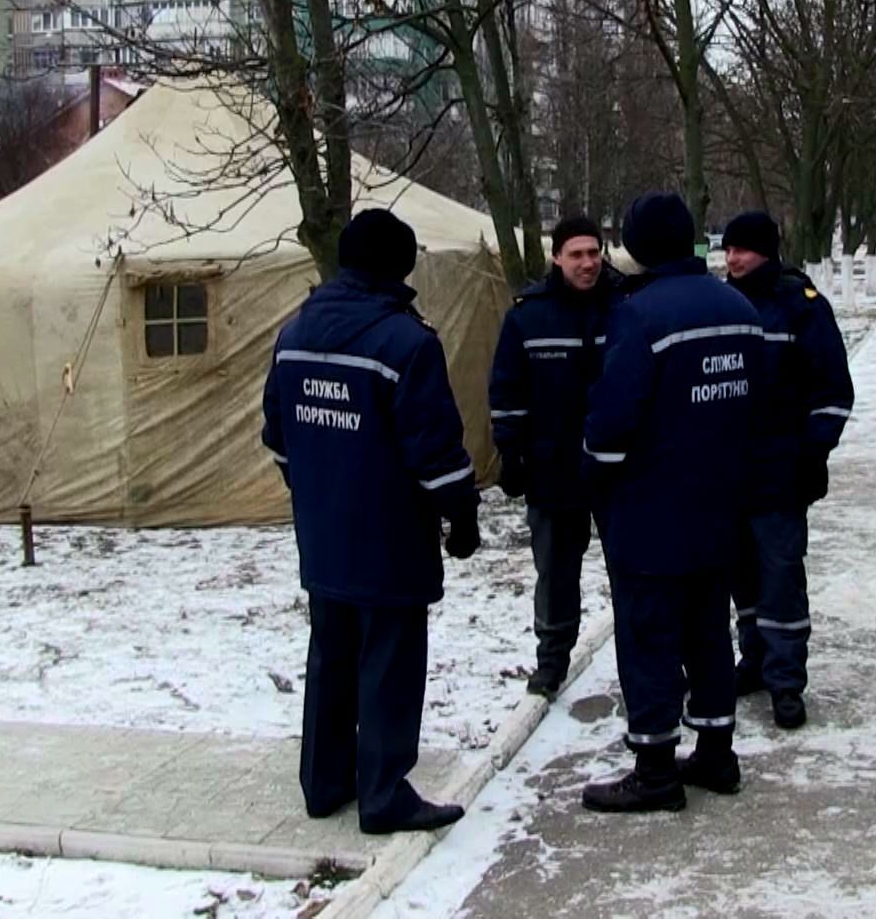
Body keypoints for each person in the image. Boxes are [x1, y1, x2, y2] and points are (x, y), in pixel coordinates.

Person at [260, 209, 478, 834]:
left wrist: (315, 488)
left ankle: (324, 782)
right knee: (388, 662)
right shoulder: (406, 343)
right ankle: (383, 793)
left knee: (331, 654)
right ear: (400, 266)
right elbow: (434, 450)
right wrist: (460, 515)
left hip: (324, 538)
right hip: (390, 539)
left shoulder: (293, 334)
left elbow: (278, 436)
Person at [581, 191, 764, 813]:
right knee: (709, 631)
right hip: (720, 507)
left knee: (650, 636)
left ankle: (655, 769)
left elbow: (612, 422)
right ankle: (717, 753)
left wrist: (593, 474)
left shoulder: (639, 316)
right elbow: (756, 408)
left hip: (651, 509)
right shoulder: (739, 307)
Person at [719, 211, 855, 729]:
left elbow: (833, 390)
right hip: (728, 474)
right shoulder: (719, 303)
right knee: (741, 581)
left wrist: (811, 453)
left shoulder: (801, 306)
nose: (733, 258)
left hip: (781, 471)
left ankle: (786, 682)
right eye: (729, 249)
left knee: (780, 580)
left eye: (744, 249)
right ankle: (752, 661)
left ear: (768, 252)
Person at [488, 214, 622, 699]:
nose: (588, 263)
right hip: (553, 467)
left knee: (632, 571)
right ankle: (551, 661)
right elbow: (507, 389)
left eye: (594, 253)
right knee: (556, 574)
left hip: (619, 471)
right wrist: (511, 451)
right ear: (556, 258)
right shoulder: (528, 314)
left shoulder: (626, 305)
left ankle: (646, 656)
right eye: (577, 255)